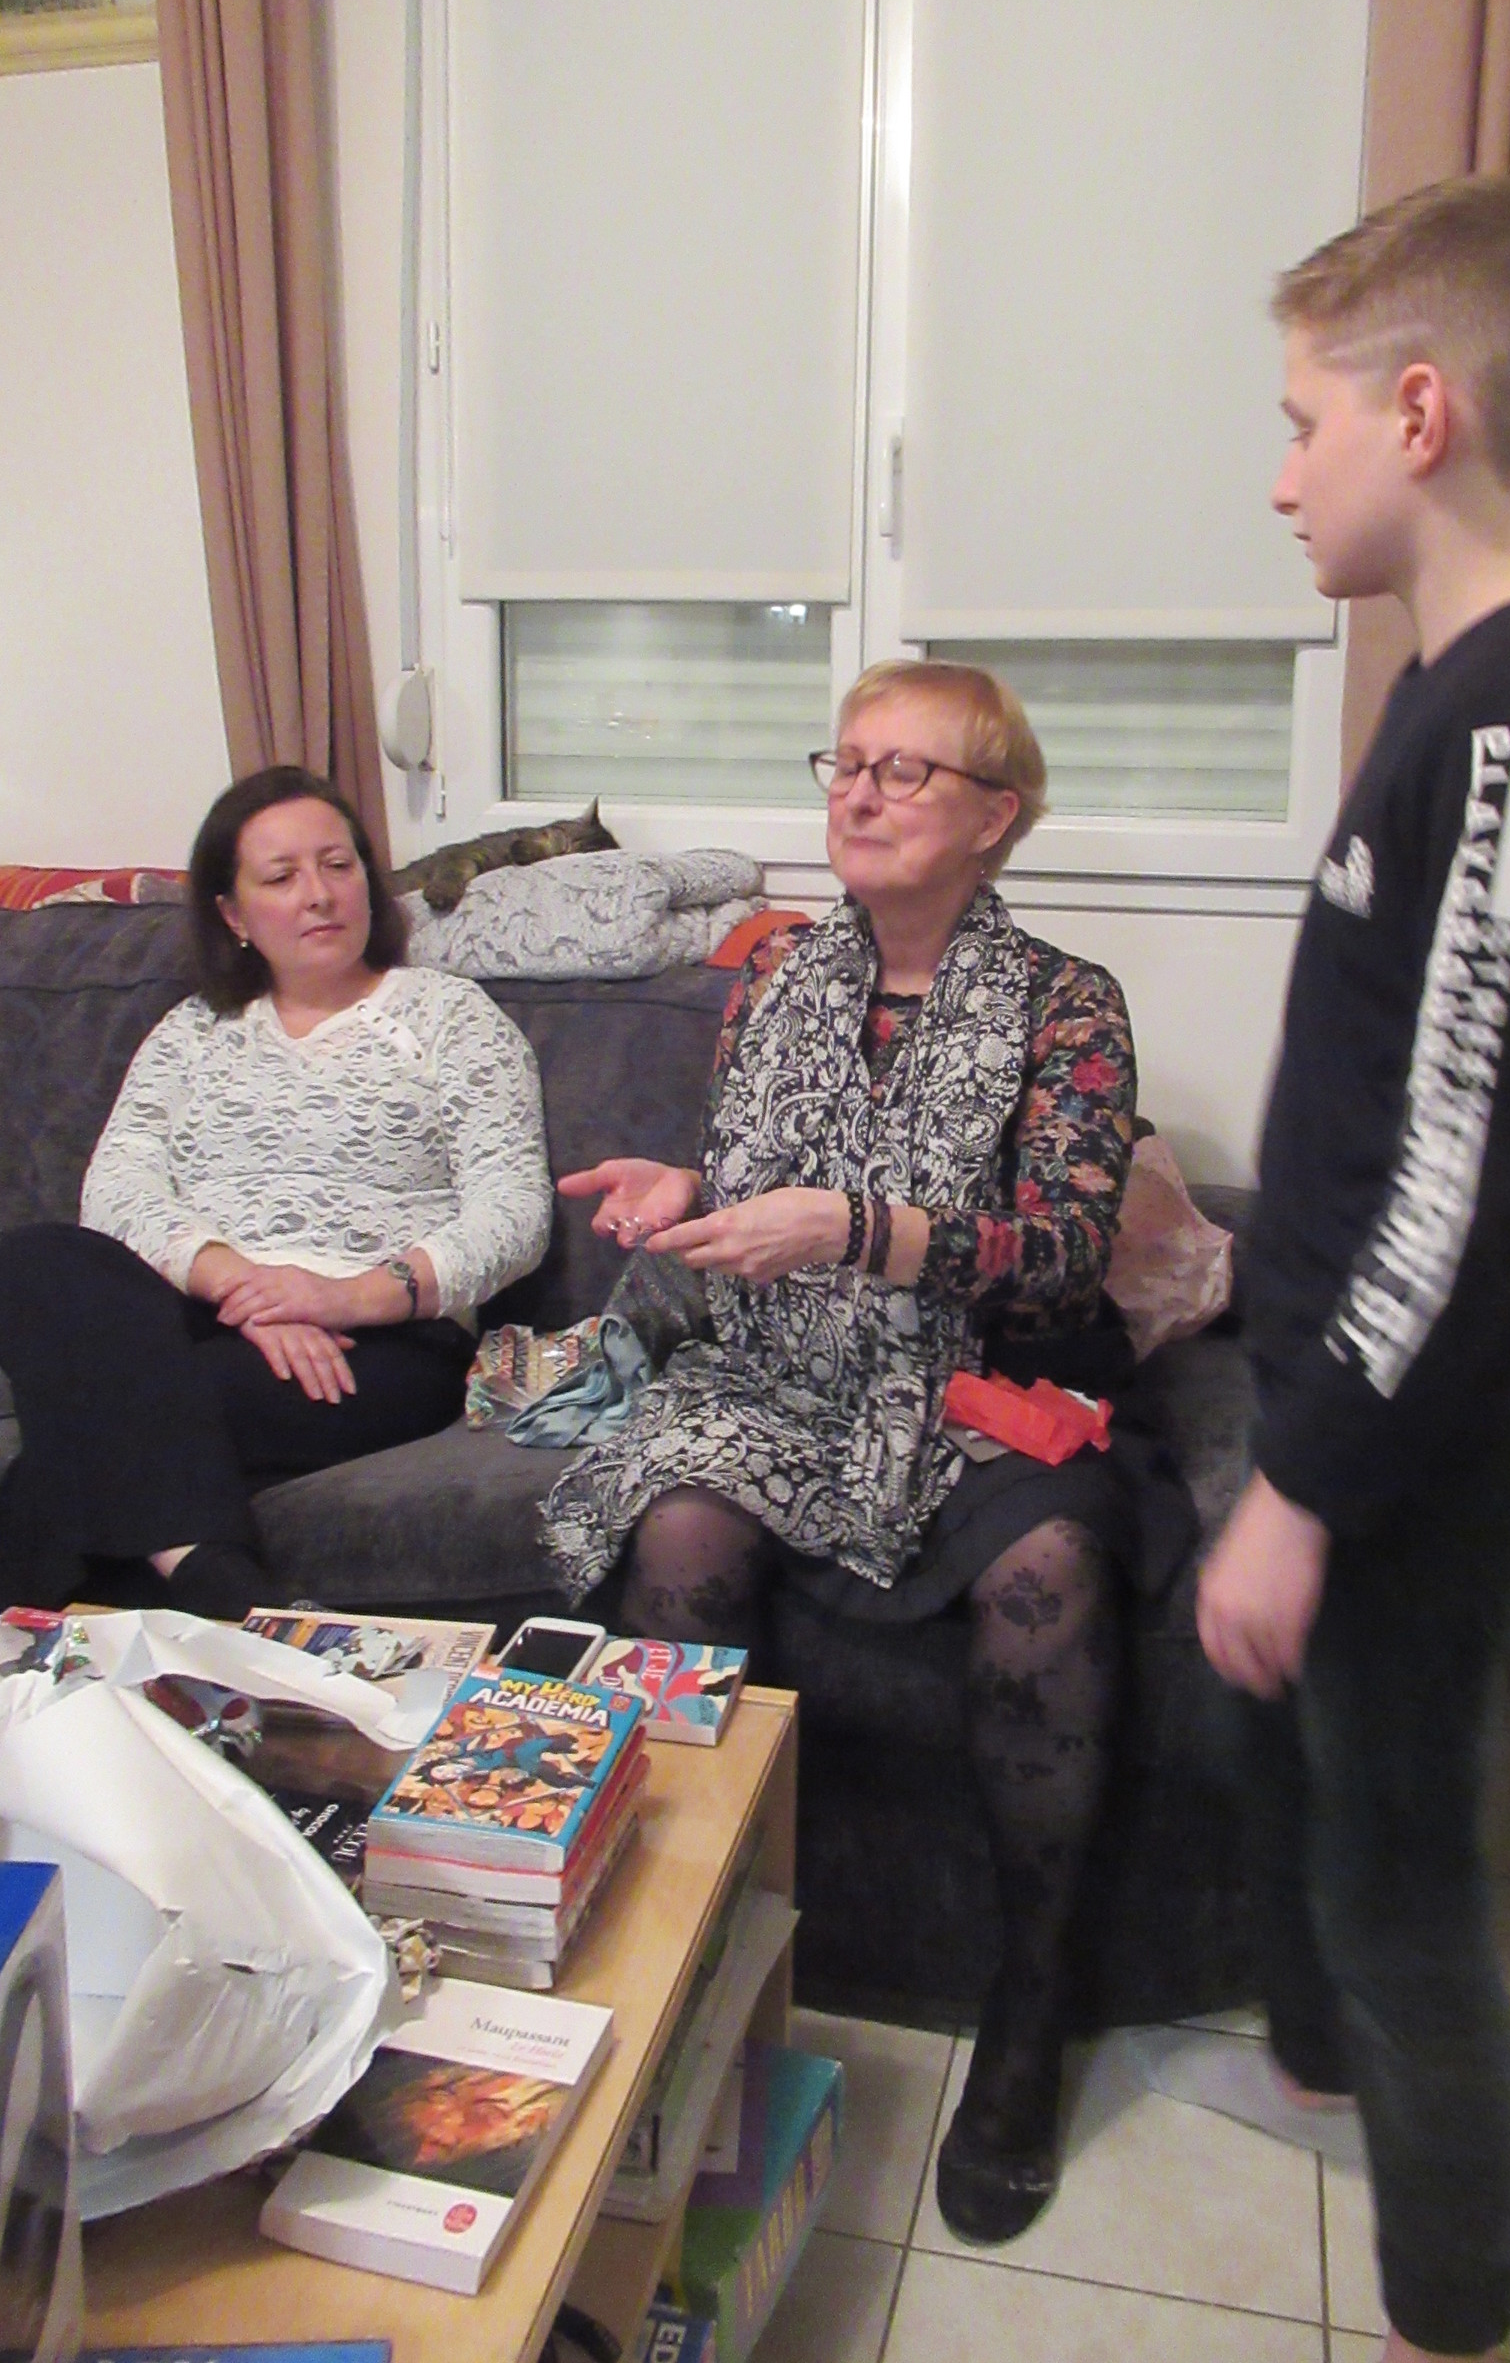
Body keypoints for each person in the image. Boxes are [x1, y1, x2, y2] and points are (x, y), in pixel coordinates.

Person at [538, 659, 1193, 2246]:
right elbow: (760, 1189)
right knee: (678, 1529)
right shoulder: (774, 975)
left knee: (1050, 1569)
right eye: (847, 762)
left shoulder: (1068, 1002)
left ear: (997, 816)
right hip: (782, 1369)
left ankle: (1028, 2016)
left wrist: (860, 1231)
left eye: (908, 771)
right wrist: (684, 1196)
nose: (862, 792)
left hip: (981, 1381)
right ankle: (680, 1957)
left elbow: (1064, 1252)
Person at [1197, 178, 1510, 2362]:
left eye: (1300, 424)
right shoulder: (1457, 691)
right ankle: (1315, 2059)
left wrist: (1300, 1487)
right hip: (1352, 1393)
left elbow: (1460, 1175)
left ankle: (1450, 2314)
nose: (1280, 476)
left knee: (1403, 1881)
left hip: (1414, 1433)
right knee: (1286, 1753)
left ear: (1418, 412)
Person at [0, 766, 554, 1621]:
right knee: (27, 1260)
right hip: (192, 1314)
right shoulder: (191, 1032)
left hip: (377, 1338)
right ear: (234, 916)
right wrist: (244, 1289)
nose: (319, 894)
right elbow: (118, 1187)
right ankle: (216, 1591)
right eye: (282, 877)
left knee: (69, 1443)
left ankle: (175, 1603)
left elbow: (514, 1215)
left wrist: (341, 1296)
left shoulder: (453, 1018)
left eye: (339, 866)